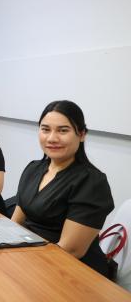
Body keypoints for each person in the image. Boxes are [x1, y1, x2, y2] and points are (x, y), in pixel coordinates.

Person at [11, 100, 113, 276]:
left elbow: (70, 250)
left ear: (82, 134)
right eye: (45, 129)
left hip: (71, 271)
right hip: (31, 257)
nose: (52, 138)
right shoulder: (33, 168)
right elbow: (15, 224)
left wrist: (24, 265)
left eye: (63, 130)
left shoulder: (91, 182)